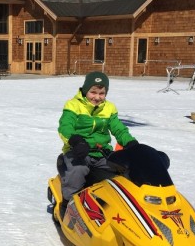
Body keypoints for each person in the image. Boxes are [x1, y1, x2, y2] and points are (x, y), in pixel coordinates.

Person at [57, 71, 138, 217]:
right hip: (78, 150)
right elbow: (65, 127)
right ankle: (67, 203)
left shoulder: (109, 108)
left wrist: (130, 143)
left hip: (101, 152)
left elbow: (118, 128)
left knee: (123, 171)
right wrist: (75, 141)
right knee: (78, 171)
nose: (97, 97)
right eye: (93, 92)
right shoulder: (73, 105)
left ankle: (122, 205)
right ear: (85, 90)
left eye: (102, 93)